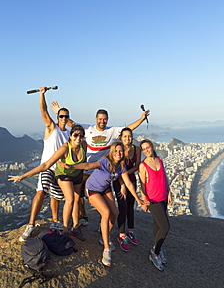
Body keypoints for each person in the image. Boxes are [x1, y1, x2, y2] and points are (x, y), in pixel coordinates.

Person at [51, 102, 150, 225]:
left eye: (105, 119)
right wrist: (59, 112)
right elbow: (71, 124)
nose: (102, 121)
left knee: (100, 199)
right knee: (78, 196)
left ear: (107, 120)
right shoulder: (88, 129)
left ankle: (99, 222)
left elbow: (128, 129)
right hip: (86, 168)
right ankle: (80, 219)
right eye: (100, 119)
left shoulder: (112, 131)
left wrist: (141, 118)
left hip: (102, 171)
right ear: (96, 119)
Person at [59, 141, 146, 267]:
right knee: (106, 213)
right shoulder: (105, 161)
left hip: (105, 188)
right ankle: (106, 248)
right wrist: (71, 166)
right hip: (92, 188)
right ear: (112, 152)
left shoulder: (121, 166)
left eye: (120, 151)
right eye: (116, 151)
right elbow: (88, 166)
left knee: (115, 213)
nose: (118, 153)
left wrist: (138, 199)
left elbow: (128, 183)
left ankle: (103, 236)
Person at [9, 125, 87, 241]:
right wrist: (23, 176)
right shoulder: (65, 148)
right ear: (70, 136)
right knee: (69, 199)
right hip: (63, 175)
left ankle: (75, 227)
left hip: (77, 175)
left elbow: (84, 163)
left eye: (81, 136)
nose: (78, 138)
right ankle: (65, 230)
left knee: (76, 199)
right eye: (75, 135)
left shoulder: (83, 145)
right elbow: (46, 165)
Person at [18, 87, 71, 242]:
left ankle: (55, 221)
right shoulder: (51, 127)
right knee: (41, 192)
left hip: (61, 170)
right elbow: (43, 111)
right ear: (57, 116)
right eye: (61, 116)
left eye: (66, 116)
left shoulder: (69, 134)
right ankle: (31, 224)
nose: (63, 118)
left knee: (56, 197)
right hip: (47, 167)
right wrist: (42, 95)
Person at [138, 139, 172, 271]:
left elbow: (165, 177)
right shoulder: (143, 165)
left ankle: (157, 247)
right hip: (152, 199)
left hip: (163, 196)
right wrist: (143, 201)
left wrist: (169, 192)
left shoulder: (159, 159)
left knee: (157, 225)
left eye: (148, 147)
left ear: (152, 147)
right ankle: (155, 253)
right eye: (144, 149)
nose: (146, 150)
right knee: (165, 226)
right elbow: (142, 184)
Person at [113, 127, 141, 251]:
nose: (127, 139)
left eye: (129, 136)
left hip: (131, 179)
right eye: (125, 136)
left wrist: (126, 177)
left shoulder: (137, 149)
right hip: (119, 181)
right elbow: (116, 169)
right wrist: (123, 183)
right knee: (122, 206)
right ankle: (121, 234)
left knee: (131, 205)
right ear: (121, 138)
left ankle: (131, 231)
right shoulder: (118, 150)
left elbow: (137, 166)